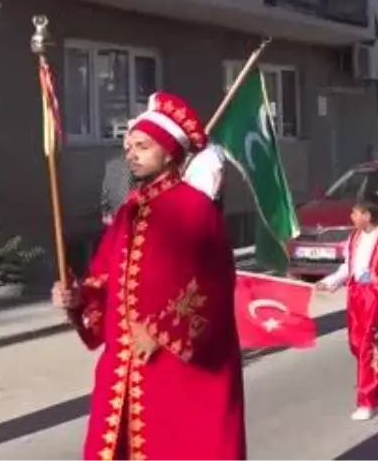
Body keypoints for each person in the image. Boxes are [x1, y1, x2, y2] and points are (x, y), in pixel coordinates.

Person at [51, 92, 246, 460]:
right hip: (123, 367)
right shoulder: (129, 210)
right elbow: (103, 278)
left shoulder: (196, 207)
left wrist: (162, 330)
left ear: (170, 152)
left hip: (175, 368)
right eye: (128, 146)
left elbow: (215, 284)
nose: (131, 153)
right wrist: (78, 298)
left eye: (142, 146)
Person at [316, 199, 378, 421]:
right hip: (356, 298)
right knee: (356, 346)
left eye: (355, 213)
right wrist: (330, 282)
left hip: (375, 300)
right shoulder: (354, 238)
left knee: (368, 349)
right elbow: (348, 268)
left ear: (368, 216)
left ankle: (369, 402)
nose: (351, 217)